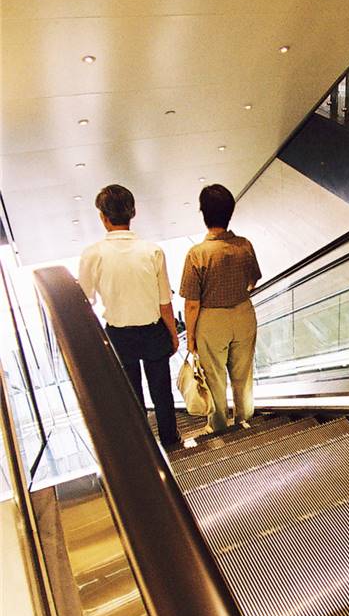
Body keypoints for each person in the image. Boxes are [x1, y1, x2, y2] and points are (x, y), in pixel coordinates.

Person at [78, 184, 181, 448]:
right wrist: (172, 334)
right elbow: (164, 302)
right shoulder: (153, 251)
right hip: (153, 330)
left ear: (103, 217)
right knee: (162, 393)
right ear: (133, 212)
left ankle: (142, 447)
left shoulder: (92, 254)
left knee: (131, 397)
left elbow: (83, 301)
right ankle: (171, 441)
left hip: (118, 335)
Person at [179, 184, 261, 433]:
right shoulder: (244, 245)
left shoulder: (197, 254)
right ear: (230, 212)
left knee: (214, 377)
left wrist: (190, 337)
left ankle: (218, 426)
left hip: (211, 321)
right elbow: (253, 280)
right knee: (243, 375)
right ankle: (244, 419)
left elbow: (192, 303)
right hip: (244, 314)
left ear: (203, 213)